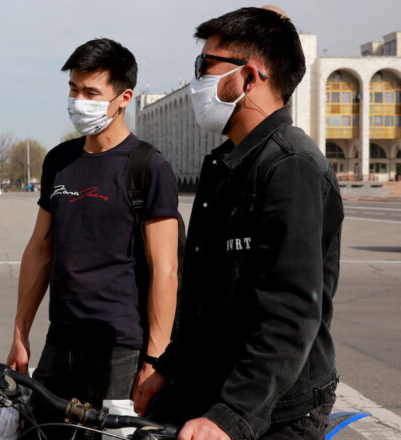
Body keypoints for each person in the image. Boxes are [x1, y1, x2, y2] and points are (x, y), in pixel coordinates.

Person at [137, 7, 344, 440]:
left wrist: (231, 415)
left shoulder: (291, 167)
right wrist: (168, 369)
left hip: (274, 411)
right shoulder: (224, 165)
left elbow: (290, 313)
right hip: (212, 390)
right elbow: (205, 301)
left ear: (250, 77)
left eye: (205, 66)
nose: (196, 82)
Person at [5, 38, 180, 438]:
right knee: (35, 432)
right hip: (60, 342)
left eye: (90, 92)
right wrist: (20, 334)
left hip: (120, 349)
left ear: (123, 98)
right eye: (73, 89)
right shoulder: (59, 161)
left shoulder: (148, 167)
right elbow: (39, 250)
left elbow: (165, 271)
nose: (77, 100)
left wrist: (154, 360)